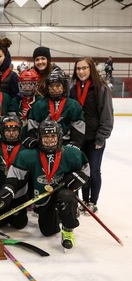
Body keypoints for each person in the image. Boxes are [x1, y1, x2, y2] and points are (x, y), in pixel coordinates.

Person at [0, 120, 90, 250]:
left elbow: (86, 171)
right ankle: (57, 213)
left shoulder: (72, 154)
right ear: (39, 138)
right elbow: (16, 176)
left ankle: (68, 229)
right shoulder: (28, 155)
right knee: (48, 231)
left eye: (52, 136)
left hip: (61, 191)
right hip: (42, 196)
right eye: (45, 137)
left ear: (59, 137)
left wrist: (78, 177)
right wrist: (8, 189)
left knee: (66, 196)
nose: (49, 140)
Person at [69, 57, 114, 213]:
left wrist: (101, 136)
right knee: (81, 171)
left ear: (91, 69)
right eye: (78, 69)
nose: (81, 71)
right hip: (78, 139)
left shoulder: (101, 88)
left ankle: (92, 202)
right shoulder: (74, 89)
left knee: (93, 171)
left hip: (95, 139)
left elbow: (107, 114)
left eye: (84, 68)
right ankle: (83, 200)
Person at [25, 68, 85, 149]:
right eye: (51, 86)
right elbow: (33, 125)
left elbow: (78, 126)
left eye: (58, 86)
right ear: (47, 88)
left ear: (64, 87)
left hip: (66, 144)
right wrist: (33, 139)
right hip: (44, 143)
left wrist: (75, 142)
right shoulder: (39, 105)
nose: (55, 89)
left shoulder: (73, 105)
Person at [12, 68, 42, 139]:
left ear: (36, 85)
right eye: (24, 84)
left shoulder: (41, 102)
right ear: (20, 85)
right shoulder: (14, 101)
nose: (27, 87)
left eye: (30, 84)